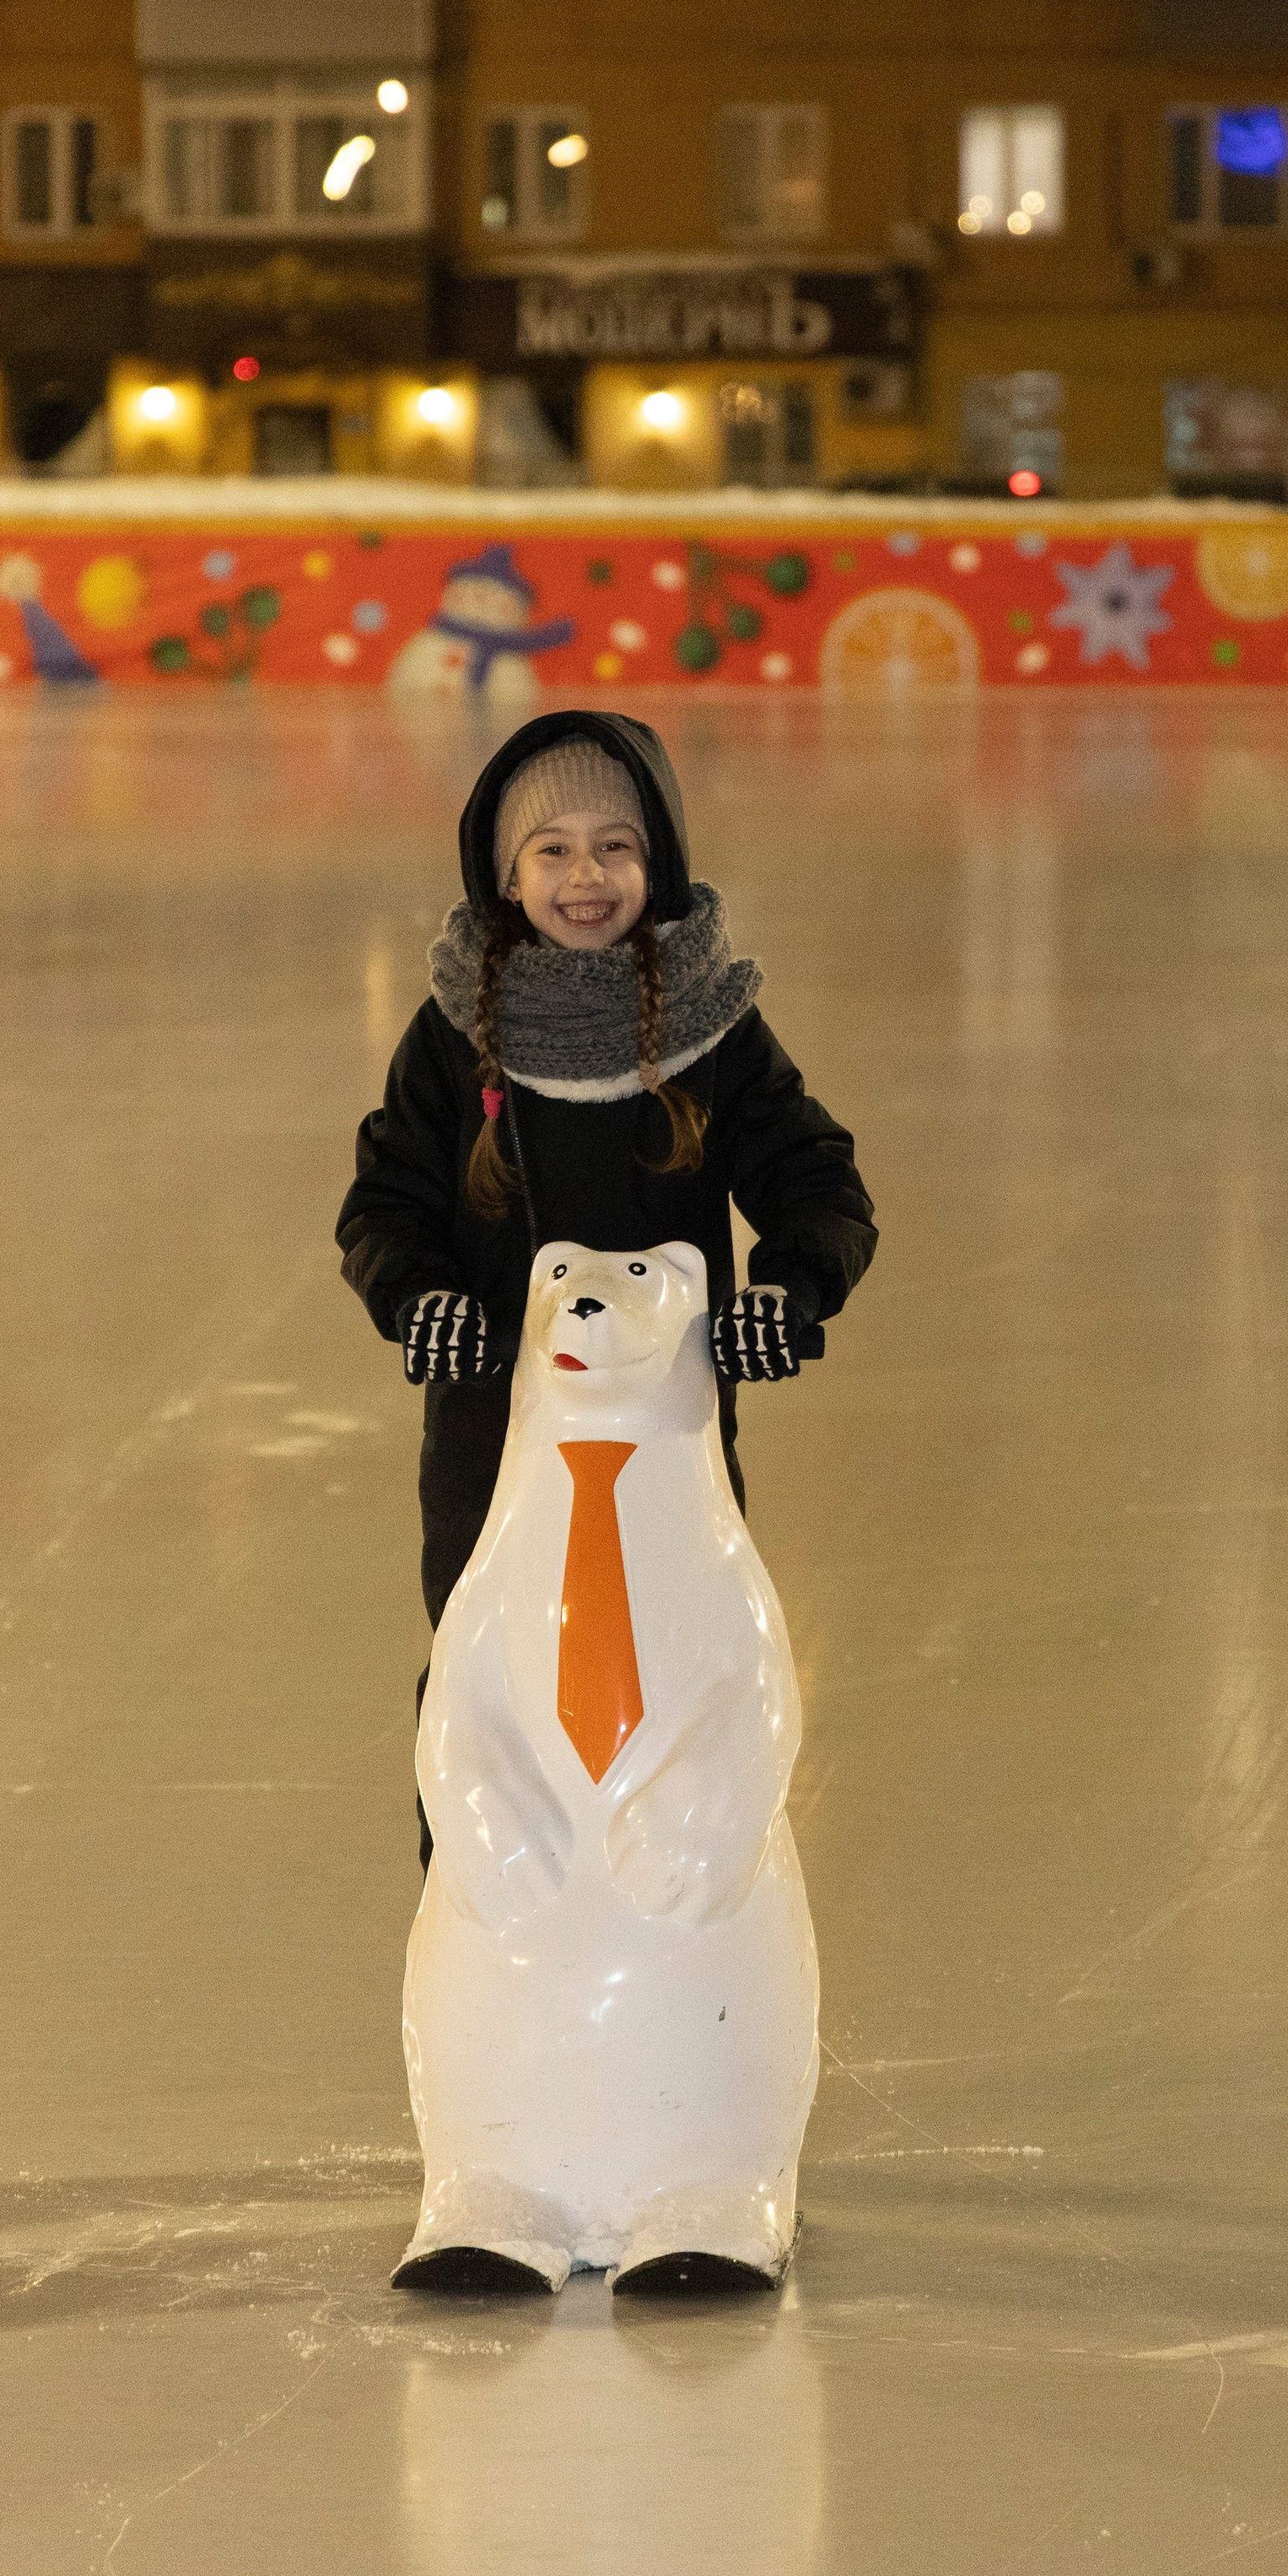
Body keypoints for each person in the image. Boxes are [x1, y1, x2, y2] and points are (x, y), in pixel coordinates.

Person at [337, 710, 876, 1839]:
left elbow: (812, 1178)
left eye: (616, 846)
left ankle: (678, 1933)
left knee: (676, 1654)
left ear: (659, 860)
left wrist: (789, 1289)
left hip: (669, 1435)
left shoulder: (710, 1022)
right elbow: (386, 1200)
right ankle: (486, 1917)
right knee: (492, 1668)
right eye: (553, 850)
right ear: (505, 873)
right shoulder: (453, 1032)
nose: (586, 876)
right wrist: (418, 1297)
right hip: (494, 1432)